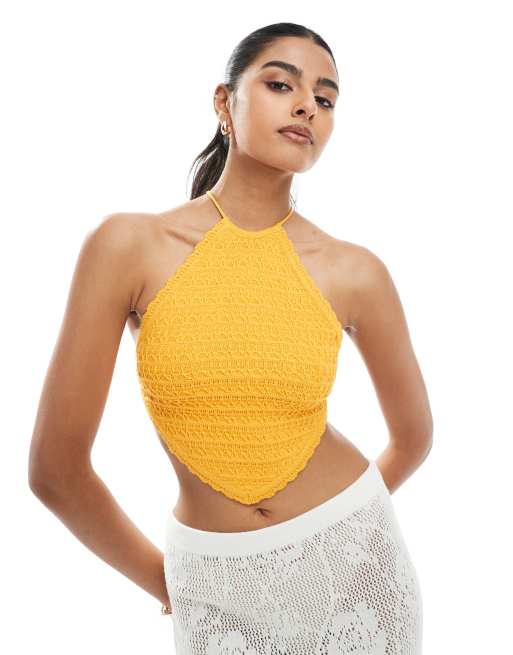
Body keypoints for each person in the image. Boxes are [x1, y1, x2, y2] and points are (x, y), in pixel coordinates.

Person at [28, 21, 433, 655]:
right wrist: (178, 584)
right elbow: (55, 471)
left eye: (325, 98)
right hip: (210, 585)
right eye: (281, 85)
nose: (307, 106)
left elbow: (414, 438)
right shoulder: (128, 246)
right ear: (224, 102)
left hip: (354, 572)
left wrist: (337, 529)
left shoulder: (355, 271)